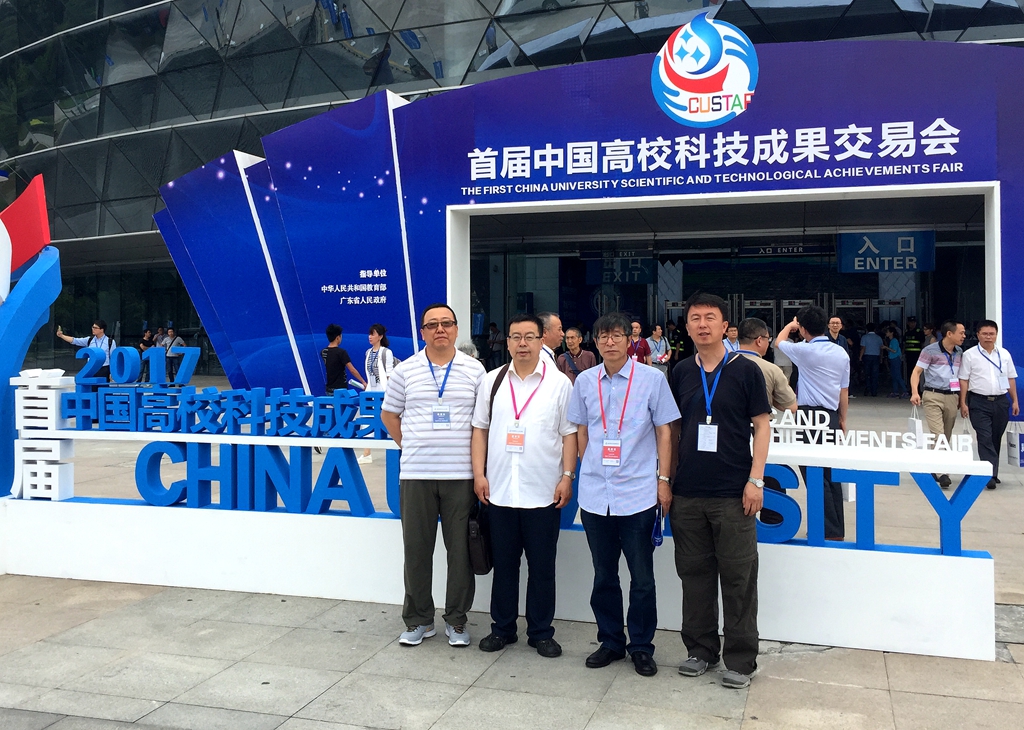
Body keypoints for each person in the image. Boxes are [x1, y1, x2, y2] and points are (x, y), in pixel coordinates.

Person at [567, 312, 680, 677]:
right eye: (603, 336)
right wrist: (587, 465)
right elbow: (581, 429)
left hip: (638, 494)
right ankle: (611, 641)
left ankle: (642, 647)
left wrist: (664, 479)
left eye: (617, 335)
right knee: (604, 575)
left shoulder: (651, 379)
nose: (610, 342)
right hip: (596, 494)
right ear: (595, 341)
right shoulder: (585, 381)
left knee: (642, 577)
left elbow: (665, 432)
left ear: (630, 340)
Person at [671, 294, 771, 690]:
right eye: (695, 318)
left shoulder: (745, 370)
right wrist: (667, 481)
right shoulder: (681, 371)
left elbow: (761, 425)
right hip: (688, 493)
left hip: (734, 493)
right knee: (694, 576)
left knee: (738, 577)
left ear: (725, 326)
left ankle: (741, 660)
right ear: (687, 326)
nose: (702, 324)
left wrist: (756, 480)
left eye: (709, 317)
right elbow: (674, 430)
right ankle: (701, 650)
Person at [471, 314, 577, 657]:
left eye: (529, 337)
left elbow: (569, 434)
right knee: (504, 566)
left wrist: (567, 476)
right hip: (500, 491)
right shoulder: (492, 381)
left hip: (543, 492)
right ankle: (502, 629)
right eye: (515, 337)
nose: (522, 343)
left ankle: (541, 632)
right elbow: (479, 430)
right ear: (507, 342)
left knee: (542, 568)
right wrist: (479, 474)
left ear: (541, 341)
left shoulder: (559, 384)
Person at [381, 304, 486, 648]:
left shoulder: (475, 370)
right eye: (432, 325)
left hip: (461, 475)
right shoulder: (405, 370)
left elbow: (482, 424)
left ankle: (456, 620)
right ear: (422, 332)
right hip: (417, 474)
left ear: (456, 329)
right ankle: (419, 620)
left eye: (446, 323)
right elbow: (389, 415)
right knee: (416, 550)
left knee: (460, 552)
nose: (440, 329)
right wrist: (411, 444)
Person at [776, 306, 850, 541]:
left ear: (804, 329)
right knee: (830, 472)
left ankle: (825, 528)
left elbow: (778, 342)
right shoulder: (841, 353)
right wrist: (842, 418)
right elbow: (844, 391)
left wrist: (791, 325)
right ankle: (836, 529)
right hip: (831, 414)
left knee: (813, 472)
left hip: (808, 415)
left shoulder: (804, 350)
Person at [736, 317, 796, 527]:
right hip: (760, 432)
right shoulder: (770, 369)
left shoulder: (722, 364)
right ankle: (773, 523)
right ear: (759, 340)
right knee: (771, 480)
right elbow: (791, 406)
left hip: (730, 434)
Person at [959, 320, 1018, 490]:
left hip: (1000, 401)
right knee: (984, 437)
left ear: (996, 335)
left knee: (995, 437)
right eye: (984, 334)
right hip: (979, 402)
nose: (988, 337)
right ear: (978, 334)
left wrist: (1015, 400)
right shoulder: (970, 355)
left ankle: (993, 472)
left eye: (991, 334)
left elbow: (1010, 378)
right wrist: (963, 402)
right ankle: (988, 476)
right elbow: (964, 380)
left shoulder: (1004, 354)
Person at [909, 320, 966, 490]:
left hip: (952, 396)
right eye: (961, 333)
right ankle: (943, 473)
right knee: (938, 434)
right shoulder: (930, 351)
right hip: (933, 395)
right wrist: (915, 392)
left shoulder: (959, 352)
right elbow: (916, 372)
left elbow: (962, 377)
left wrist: (962, 400)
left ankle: (934, 466)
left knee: (946, 435)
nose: (964, 336)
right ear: (949, 333)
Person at [360, 323, 396, 464]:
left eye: (373, 334)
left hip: (383, 391)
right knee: (367, 419)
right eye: (369, 334)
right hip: (371, 391)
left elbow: (389, 374)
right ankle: (366, 453)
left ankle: (396, 450)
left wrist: (391, 393)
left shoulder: (386, 352)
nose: (370, 337)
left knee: (388, 419)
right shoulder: (368, 352)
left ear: (380, 336)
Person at [322, 324, 367, 395]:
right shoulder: (341, 352)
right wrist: (363, 381)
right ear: (338, 338)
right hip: (340, 389)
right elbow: (352, 370)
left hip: (329, 389)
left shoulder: (323, 352)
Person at [883, 327, 909, 398]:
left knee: (897, 376)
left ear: (891, 333)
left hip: (895, 359)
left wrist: (886, 347)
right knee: (894, 376)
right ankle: (895, 391)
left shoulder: (894, 341)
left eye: (887, 332)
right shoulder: (891, 341)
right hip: (892, 359)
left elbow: (894, 350)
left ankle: (905, 391)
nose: (886, 333)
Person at [859, 324, 884, 397]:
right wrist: (881, 358)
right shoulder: (878, 338)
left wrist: (860, 357)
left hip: (867, 356)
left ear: (867, 329)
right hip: (876, 357)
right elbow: (881, 349)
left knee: (867, 374)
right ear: (875, 329)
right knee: (875, 374)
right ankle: (874, 391)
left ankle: (868, 388)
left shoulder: (864, 337)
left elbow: (863, 348)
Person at [903, 316, 925, 386]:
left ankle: (917, 389)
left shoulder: (919, 332)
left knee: (917, 373)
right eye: (911, 322)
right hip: (908, 356)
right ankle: (911, 388)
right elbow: (904, 343)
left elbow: (922, 344)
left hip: (917, 356)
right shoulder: (907, 332)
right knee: (909, 372)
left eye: (914, 322)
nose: (912, 324)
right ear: (908, 323)